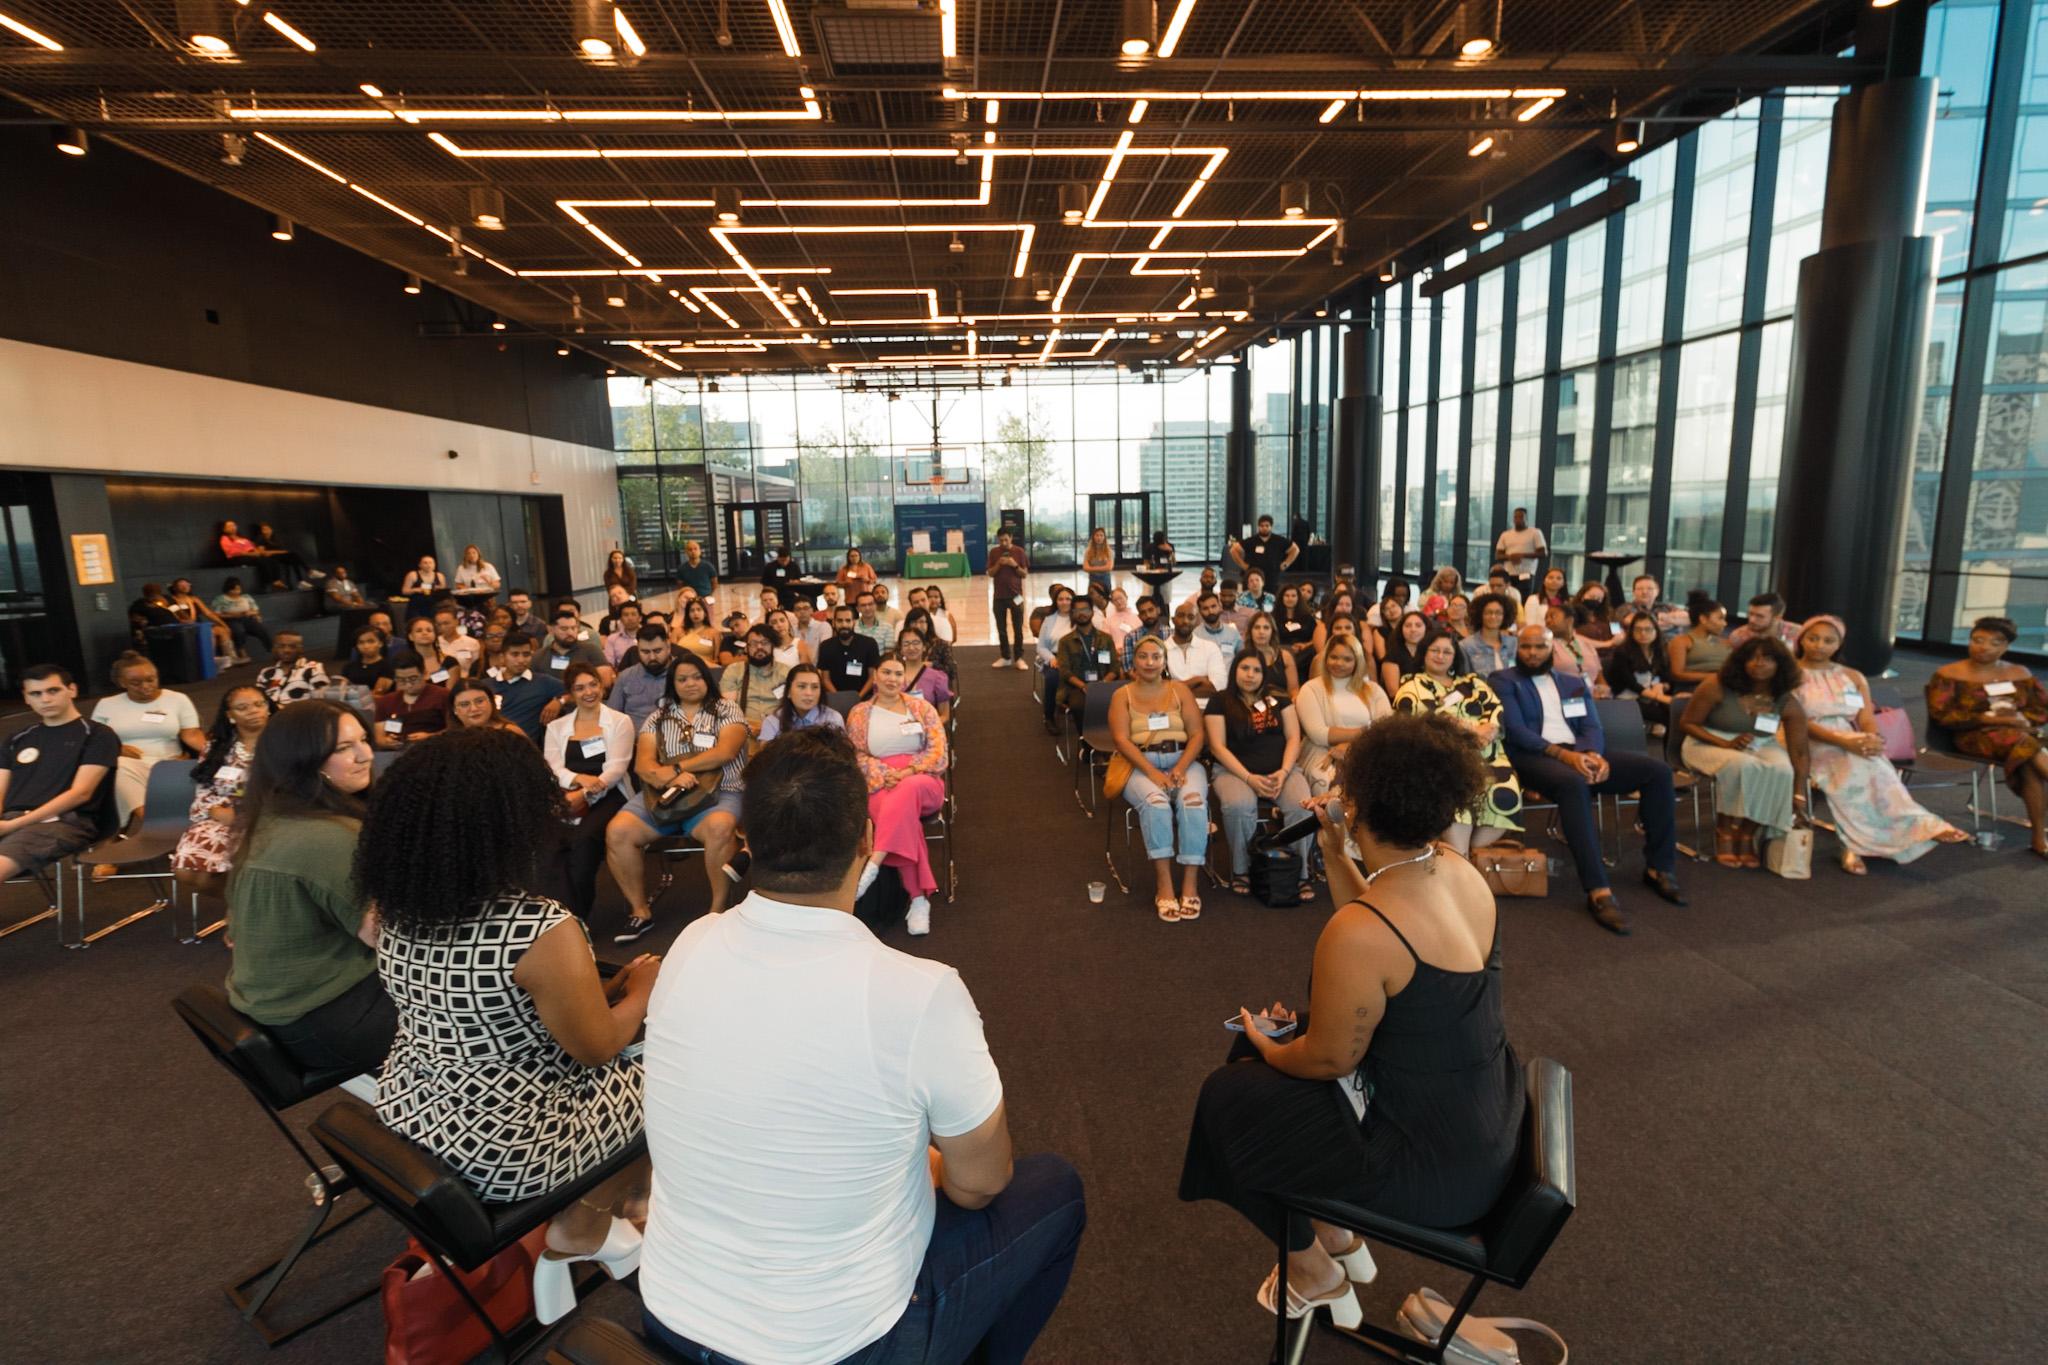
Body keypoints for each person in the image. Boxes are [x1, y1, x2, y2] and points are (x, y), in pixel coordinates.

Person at [636, 726, 1083, 1365]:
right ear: (868, 840)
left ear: (745, 840)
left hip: (670, 1314)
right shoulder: (920, 991)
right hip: (840, 1346)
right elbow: (981, 1185)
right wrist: (923, 1164)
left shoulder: (690, 944)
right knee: (1056, 1190)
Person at [1178, 714, 1526, 1330]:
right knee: (1269, 1054)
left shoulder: (1361, 933)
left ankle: (1314, 1268)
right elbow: (1380, 924)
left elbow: (1328, 1059)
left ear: (1360, 800)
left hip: (1433, 1167)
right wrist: (1339, 852)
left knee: (1226, 1099)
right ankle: (1337, 1238)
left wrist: (1265, 1042)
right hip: (1480, 1122)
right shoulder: (1456, 869)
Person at [358, 728, 650, 1324]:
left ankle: (615, 1205)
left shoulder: (393, 907)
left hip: (410, 1109)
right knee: (674, 1069)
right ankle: (587, 1221)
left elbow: (484, 1009)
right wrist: (644, 991)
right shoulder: (534, 926)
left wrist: (597, 994)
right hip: (508, 1146)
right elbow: (597, 1048)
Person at [223, 700, 392, 1073]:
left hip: (272, 1009)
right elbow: (388, 938)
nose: (365, 755)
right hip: (321, 1023)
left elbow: (232, 935)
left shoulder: (270, 816)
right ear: (305, 760)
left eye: (364, 740)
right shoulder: (328, 836)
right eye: (344, 748)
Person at [1493, 625, 1685, 934]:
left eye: (1539, 647)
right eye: (1525, 647)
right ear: (1518, 648)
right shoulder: (1504, 680)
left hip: (1580, 754)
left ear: (1551, 649)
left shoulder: (1571, 683)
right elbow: (1516, 731)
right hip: (1534, 758)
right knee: (1573, 783)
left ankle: (1659, 867)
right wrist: (1565, 756)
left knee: (1658, 772)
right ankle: (1598, 889)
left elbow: (1591, 725)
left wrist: (1594, 755)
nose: (1531, 653)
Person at [1794, 617, 1966, 873]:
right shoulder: (1790, 673)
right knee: (1853, 766)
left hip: (1847, 735)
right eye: (1813, 638)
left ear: (1839, 644)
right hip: (1804, 738)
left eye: (1828, 640)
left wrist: (1871, 738)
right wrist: (1846, 742)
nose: (1819, 645)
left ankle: (1892, 831)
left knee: (1875, 765)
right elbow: (1797, 720)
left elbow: (1865, 716)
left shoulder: (1852, 676)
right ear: (1801, 640)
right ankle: (1862, 841)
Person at [606, 654, 748, 942]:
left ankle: (717, 912)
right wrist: (669, 778)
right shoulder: (657, 718)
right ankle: (640, 911)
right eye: (682, 679)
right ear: (672, 684)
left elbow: (725, 752)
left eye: (696, 676)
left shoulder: (727, 709)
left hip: (719, 793)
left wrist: (677, 768)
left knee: (721, 827)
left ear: (707, 679)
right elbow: (643, 765)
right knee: (618, 831)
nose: (690, 684)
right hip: (666, 797)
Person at [1680, 636, 1811, 869]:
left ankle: (1748, 831)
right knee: (1742, 765)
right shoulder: (1716, 685)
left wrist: (1799, 792)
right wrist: (1724, 743)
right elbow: (1688, 723)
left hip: (1760, 744)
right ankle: (1725, 829)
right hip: (1707, 742)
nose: (1758, 663)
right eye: (1752, 657)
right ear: (1741, 661)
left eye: (1767, 658)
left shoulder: (1785, 698)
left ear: (1780, 664)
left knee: (1782, 769)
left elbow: (1799, 751)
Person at [1927, 615, 2048, 859]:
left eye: (1994, 643)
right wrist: (1993, 720)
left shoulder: (2019, 672)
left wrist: (2025, 721)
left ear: (2006, 646)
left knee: (2027, 764)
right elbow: (1943, 716)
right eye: (1978, 640)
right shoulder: (1950, 674)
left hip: (2020, 736)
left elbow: (2041, 707)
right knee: (2029, 749)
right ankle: (2038, 836)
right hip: (1972, 736)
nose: (1984, 647)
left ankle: (2038, 836)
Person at [1110, 636, 1211, 922]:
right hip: (1140, 765)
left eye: (1156, 657)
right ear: (1134, 660)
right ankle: (1164, 884)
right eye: (1143, 656)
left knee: (1193, 803)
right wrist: (1153, 773)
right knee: (1156, 805)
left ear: (1165, 661)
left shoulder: (1179, 690)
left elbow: (1197, 735)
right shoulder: (1123, 695)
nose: (1150, 662)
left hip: (1184, 761)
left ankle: (1190, 883)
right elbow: (1120, 739)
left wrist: (1180, 766)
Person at [848, 659, 950, 937]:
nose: (892, 678)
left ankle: (874, 862)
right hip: (879, 783)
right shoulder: (860, 712)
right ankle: (918, 900)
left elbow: (939, 753)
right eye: (886, 673)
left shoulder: (921, 708)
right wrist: (886, 773)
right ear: (876, 676)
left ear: (904, 679)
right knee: (904, 819)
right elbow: (857, 754)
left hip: (923, 781)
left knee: (906, 793)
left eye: (898, 673)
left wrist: (907, 772)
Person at [1393, 635, 1522, 854]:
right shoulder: (1412, 684)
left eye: (1447, 652)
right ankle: (1460, 858)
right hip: (1440, 757)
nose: (1441, 656)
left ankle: (1467, 856)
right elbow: (1430, 719)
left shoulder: (1472, 682)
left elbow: (1495, 710)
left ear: (1455, 656)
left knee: (1505, 793)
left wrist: (1487, 731)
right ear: (1423, 653)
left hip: (1487, 756)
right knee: (1457, 795)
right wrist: (1474, 729)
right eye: (1435, 650)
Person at [0, 665, 120, 891]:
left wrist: (14, 824)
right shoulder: (18, 738)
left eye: (53, 691)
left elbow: (80, 793)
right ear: (26, 698)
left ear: (72, 690)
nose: (45, 699)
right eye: (36, 694)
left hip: (65, 822)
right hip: (11, 820)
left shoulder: (97, 735)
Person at [1206, 652, 1313, 902]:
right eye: (1244, 668)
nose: (1250, 674)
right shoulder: (1219, 701)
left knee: (1303, 808)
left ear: (1264, 675)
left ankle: (1300, 873)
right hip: (1234, 772)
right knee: (1238, 806)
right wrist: (1249, 778)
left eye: (1256, 670)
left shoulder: (1279, 699)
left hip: (1281, 771)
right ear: (1235, 671)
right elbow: (1217, 747)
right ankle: (1241, 870)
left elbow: (1293, 738)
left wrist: (1284, 772)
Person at [543, 662, 637, 920]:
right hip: (567, 794)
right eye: (580, 688)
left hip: (611, 793)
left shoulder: (620, 721)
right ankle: (557, 917)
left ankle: (578, 918)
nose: (588, 692)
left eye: (593, 684)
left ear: (602, 685)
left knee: (583, 842)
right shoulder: (557, 727)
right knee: (552, 844)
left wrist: (584, 793)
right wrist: (578, 779)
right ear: (570, 693)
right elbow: (553, 768)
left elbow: (616, 768)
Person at [172, 685, 272, 898]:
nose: (253, 711)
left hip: (267, 818)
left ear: (268, 708)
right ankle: (242, 903)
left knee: (219, 870)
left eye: (258, 704)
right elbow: (204, 789)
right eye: (242, 707)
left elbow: (291, 789)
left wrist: (244, 815)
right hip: (219, 817)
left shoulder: (285, 744)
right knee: (186, 872)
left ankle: (246, 909)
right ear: (230, 716)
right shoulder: (217, 747)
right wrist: (215, 811)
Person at [91, 652, 205, 832]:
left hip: (170, 763)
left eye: (151, 680)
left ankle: (120, 834)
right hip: (128, 764)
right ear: (122, 683)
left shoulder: (177, 699)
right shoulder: (106, 704)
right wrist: (116, 748)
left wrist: (214, 753)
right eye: (136, 683)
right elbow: (95, 741)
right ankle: (152, 822)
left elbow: (191, 734)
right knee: (119, 766)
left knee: (119, 775)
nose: (145, 686)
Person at [1295, 635, 1393, 795]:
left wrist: (1351, 746)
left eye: (1347, 659)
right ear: (1325, 657)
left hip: (1368, 750)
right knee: (1325, 779)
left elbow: (1386, 729)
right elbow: (1319, 734)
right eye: (1333, 657)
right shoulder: (1310, 689)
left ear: (1357, 661)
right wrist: (1365, 732)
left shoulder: (1373, 690)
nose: (1339, 663)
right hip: (1322, 752)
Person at [1051, 597, 1120, 734]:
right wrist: (1084, 686)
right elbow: (1065, 672)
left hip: (1104, 684)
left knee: (1118, 703)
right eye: (1077, 610)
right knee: (1081, 706)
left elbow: (1114, 667)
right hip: (1076, 687)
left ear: (1092, 612)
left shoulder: (1106, 639)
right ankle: (1087, 744)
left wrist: (1103, 683)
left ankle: (1109, 742)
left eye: (1085, 609)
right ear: (1072, 614)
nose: (1081, 613)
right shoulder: (1065, 641)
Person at [488, 631, 568, 744]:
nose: (521, 660)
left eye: (526, 654)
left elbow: (575, 691)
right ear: (502, 657)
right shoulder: (486, 686)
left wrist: (560, 701)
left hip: (527, 749)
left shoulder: (543, 682)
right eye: (515, 654)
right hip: (492, 745)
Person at [1604, 611, 1676, 731]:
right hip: (1627, 698)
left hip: (1651, 694)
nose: (1643, 633)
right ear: (1631, 632)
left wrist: (1663, 686)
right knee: (1668, 716)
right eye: (1638, 629)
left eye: (1648, 629)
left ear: (1656, 631)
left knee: (1677, 711)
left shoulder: (1660, 650)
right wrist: (1659, 697)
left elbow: (1667, 677)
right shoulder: (1622, 652)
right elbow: (1632, 684)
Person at [721, 625, 792, 738]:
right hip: (744, 731)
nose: (759, 647)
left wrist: (770, 728)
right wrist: (744, 726)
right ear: (746, 648)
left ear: (773, 645)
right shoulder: (734, 671)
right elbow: (728, 708)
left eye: (765, 643)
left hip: (779, 733)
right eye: (753, 643)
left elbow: (793, 708)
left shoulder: (787, 672)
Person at [372, 652, 451, 749]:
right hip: (397, 752)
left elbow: (454, 729)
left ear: (424, 673)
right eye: (401, 680)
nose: (408, 684)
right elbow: (380, 739)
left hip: (435, 749)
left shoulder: (443, 695)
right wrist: (387, 741)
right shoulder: (385, 701)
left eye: (413, 679)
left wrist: (430, 737)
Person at [757, 663, 844, 743]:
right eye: (801, 686)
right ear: (788, 692)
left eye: (815, 687)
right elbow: (766, 758)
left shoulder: (833, 719)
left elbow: (842, 757)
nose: (809, 693)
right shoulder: (773, 721)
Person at [609, 625, 672, 731]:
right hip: (634, 743)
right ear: (637, 650)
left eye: (657, 651)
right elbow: (611, 717)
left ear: (668, 647)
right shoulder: (626, 677)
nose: (652, 657)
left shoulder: (683, 674)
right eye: (645, 652)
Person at [542, 602, 614, 691]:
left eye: (573, 628)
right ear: (551, 630)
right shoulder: (540, 656)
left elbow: (605, 682)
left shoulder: (591, 650)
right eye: (564, 629)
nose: (570, 633)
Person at [164, 577, 236, 665]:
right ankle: (210, 661)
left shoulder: (194, 599)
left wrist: (224, 624)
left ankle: (232, 658)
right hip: (184, 627)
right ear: (175, 588)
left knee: (222, 630)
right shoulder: (171, 601)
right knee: (209, 633)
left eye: (187, 584)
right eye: (181, 585)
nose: (185, 586)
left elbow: (208, 613)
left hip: (198, 625)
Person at [891, 630, 955, 726]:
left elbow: (945, 715)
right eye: (906, 644)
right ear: (901, 649)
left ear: (924, 647)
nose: (911, 648)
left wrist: (926, 727)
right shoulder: (891, 676)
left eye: (916, 643)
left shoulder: (937, 677)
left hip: (928, 733)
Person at [1668, 592, 1733, 688]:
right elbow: (1677, 674)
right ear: (1703, 619)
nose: (1724, 624)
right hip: (1695, 689)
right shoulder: (1683, 641)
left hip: (1726, 687)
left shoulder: (1726, 642)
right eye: (1720, 618)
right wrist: (1715, 677)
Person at [819, 604, 884, 695]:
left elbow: (872, 677)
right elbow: (825, 679)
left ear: (854, 622)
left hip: (864, 697)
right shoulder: (826, 646)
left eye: (848, 620)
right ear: (833, 623)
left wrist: (858, 697)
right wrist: (840, 699)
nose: (844, 625)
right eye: (839, 621)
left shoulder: (869, 644)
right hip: (834, 698)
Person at [255, 631, 331, 706]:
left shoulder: (313, 669)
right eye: (281, 646)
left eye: (292, 646)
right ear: (274, 648)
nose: (286, 650)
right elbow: (257, 700)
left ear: (301, 649)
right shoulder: (266, 673)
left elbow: (322, 702)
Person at [210, 576, 273, 663]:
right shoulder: (220, 599)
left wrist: (251, 613)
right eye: (233, 590)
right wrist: (232, 615)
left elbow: (255, 610)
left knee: (262, 629)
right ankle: (241, 650)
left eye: (238, 589)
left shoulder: (246, 597)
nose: (236, 592)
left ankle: (271, 649)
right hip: (230, 620)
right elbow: (216, 614)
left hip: (247, 618)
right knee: (239, 630)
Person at [447, 676, 530, 739]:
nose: (474, 708)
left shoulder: (511, 733)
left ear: (491, 702)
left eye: (480, 701)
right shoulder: (448, 739)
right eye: (465, 704)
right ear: (454, 709)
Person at [1378, 610, 1437, 698]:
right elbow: (1393, 693)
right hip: (1403, 705)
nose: (1413, 629)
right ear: (1401, 629)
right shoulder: (1392, 656)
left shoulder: (1432, 653)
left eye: (1418, 625)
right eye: (1408, 626)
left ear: (1426, 628)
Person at [1243, 610, 1301, 698]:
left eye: (1266, 628)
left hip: (1282, 705)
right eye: (1257, 627)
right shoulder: (1242, 657)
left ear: (1272, 631)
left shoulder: (1285, 656)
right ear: (1250, 631)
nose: (1261, 632)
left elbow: (1294, 690)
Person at [1232, 514, 1300, 585]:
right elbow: (1233, 550)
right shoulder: (1251, 541)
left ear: (1271, 527)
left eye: (1267, 526)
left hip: (1272, 576)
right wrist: (1243, 565)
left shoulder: (1279, 540)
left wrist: (1286, 564)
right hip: (1253, 575)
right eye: (1262, 526)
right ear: (1258, 527)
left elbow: (1295, 549)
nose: (1264, 528)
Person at [1494, 507, 1547, 596]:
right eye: (1516, 517)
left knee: (1523, 597)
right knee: (1509, 597)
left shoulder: (1535, 532)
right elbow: (1498, 555)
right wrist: (1510, 557)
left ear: (1526, 518)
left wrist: (1522, 555)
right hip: (1509, 573)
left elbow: (1543, 553)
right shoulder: (1505, 534)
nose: (1518, 519)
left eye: (1521, 517)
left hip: (1526, 573)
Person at [901, 607, 958, 690]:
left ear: (928, 624)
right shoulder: (903, 645)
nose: (917, 626)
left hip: (936, 689)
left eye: (921, 622)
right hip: (907, 689)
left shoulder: (941, 645)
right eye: (914, 622)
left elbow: (952, 671)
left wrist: (932, 665)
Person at [1727, 591, 1801, 648]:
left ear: (1777, 618)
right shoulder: (1739, 636)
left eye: (1759, 616)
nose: (1751, 620)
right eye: (1750, 614)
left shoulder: (1798, 634)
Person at [251, 524, 315, 589]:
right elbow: (262, 552)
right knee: (292, 556)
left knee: (294, 556)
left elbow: (281, 550)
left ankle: (302, 578)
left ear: (272, 530)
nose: (266, 531)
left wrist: (280, 552)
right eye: (264, 529)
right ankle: (308, 573)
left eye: (268, 529)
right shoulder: (261, 539)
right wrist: (279, 552)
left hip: (278, 556)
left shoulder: (275, 539)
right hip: (270, 558)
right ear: (261, 531)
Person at [341, 625, 396, 695]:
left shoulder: (388, 666)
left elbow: (378, 693)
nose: (366, 646)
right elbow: (342, 690)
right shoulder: (348, 667)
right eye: (361, 642)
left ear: (380, 643)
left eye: (371, 641)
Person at [1122, 593, 1169, 671]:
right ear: (1139, 616)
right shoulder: (1130, 637)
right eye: (1143, 613)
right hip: (1139, 680)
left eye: (1151, 610)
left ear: (1158, 610)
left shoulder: (1171, 634)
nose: (1148, 615)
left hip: (1167, 680)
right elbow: (1128, 669)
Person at [433, 606, 483, 674]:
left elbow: (477, 667)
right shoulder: (433, 643)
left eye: (446, 623)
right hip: (440, 681)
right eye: (439, 624)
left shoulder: (472, 642)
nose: (442, 627)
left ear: (456, 622)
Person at [673, 596, 721, 665]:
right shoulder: (677, 631)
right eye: (692, 610)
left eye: (699, 609)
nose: (695, 613)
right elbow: (672, 656)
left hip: (707, 668)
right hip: (683, 668)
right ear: (688, 614)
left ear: (705, 613)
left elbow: (717, 660)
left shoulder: (714, 633)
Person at [1195, 592, 1244, 658]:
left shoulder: (1233, 633)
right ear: (1200, 611)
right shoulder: (1195, 635)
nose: (1210, 611)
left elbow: (1243, 657)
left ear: (1220, 606)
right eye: (1205, 608)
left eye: (1213, 606)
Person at [602, 600, 646, 670]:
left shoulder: (648, 635)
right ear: (621, 619)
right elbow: (609, 665)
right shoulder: (612, 639)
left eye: (633, 614)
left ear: (640, 618)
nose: (630, 618)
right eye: (626, 615)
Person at [1082, 526, 1115, 596]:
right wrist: (1102, 568)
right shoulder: (1088, 551)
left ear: (1104, 537)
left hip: (1105, 579)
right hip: (1093, 579)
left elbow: (1109, 567)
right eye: (1097, 535)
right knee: (1092, 597)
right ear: (1093, 537)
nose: (1099, 537)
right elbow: (1085, 567)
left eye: (1101, 535)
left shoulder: (1109, 551)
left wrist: (1092, 568)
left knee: (1106, 597)